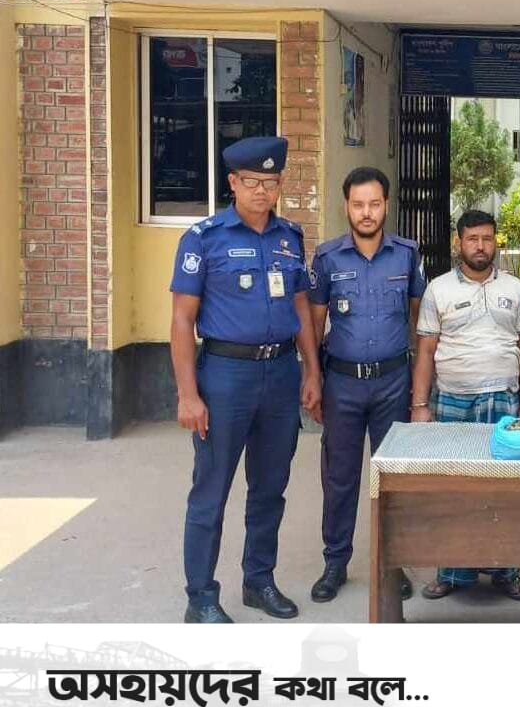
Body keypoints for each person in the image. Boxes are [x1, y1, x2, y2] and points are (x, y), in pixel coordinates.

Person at [170, 136, 321, 623]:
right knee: (211, 489)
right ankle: (201, 597)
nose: (261, 191)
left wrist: (312, 370)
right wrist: (188, 395)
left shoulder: (289, 237)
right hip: (225, 376)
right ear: (233, 183)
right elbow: (181, 320)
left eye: (270, 182)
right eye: (252, 181)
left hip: (280, 374)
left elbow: (300, 305)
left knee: (270, 487)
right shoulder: (203, 238)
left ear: (280, 185)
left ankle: (259, 581)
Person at [307, 167, 425, 604]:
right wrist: (313, 378)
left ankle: (393, 564)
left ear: (386, 205)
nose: (367, 212)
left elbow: (419, 323)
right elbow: (314, 325)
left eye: (374, 204)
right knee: (339, 477)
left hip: (393, 381)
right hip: (342, 384)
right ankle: (335, 563)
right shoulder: (327, 259)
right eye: (358, 205)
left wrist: (419, 391)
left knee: (392, 477)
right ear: (347, 207)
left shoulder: (407, 256)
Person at [410, 209, 520, 601]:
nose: (480, 246)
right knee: (453, 488)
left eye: (486, 238)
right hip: (451, 399)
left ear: (495, 242)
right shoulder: (438, 289)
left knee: (505, 489)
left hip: (502, 398)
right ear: (458, 242)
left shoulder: (516, 289)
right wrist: (419, 405)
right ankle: (452, 573)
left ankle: (506, 571)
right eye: (472, 239)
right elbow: (425, 350)